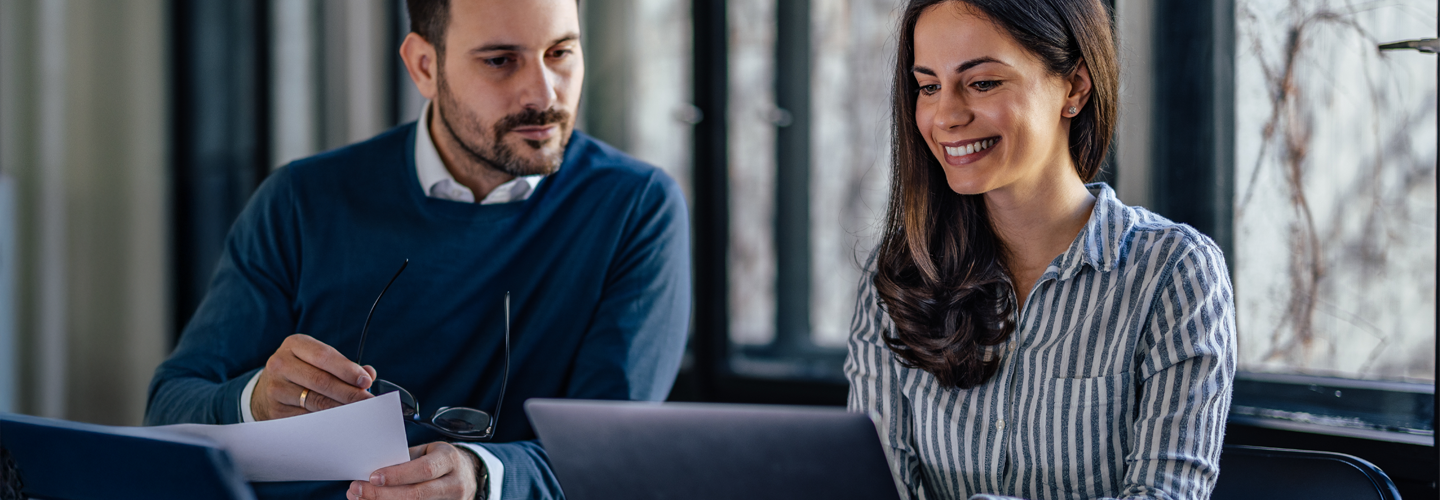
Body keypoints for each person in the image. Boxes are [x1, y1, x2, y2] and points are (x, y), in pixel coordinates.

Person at [144, 0, 691, 498]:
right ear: (424, 66)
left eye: (560, 53)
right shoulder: (302, 200)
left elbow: (610, 456)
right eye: (501, 60)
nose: (544, 95)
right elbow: (168, 412)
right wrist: (257, 400)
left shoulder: (634, 207)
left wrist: (483, 477)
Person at [844, 1, 1235, 499]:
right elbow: (874, 486)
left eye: (983, 82)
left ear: (1074, 87)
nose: (946, 115)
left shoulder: (1173, 273)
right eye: (928, 86)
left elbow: (1168, 493)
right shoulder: (900, 276)